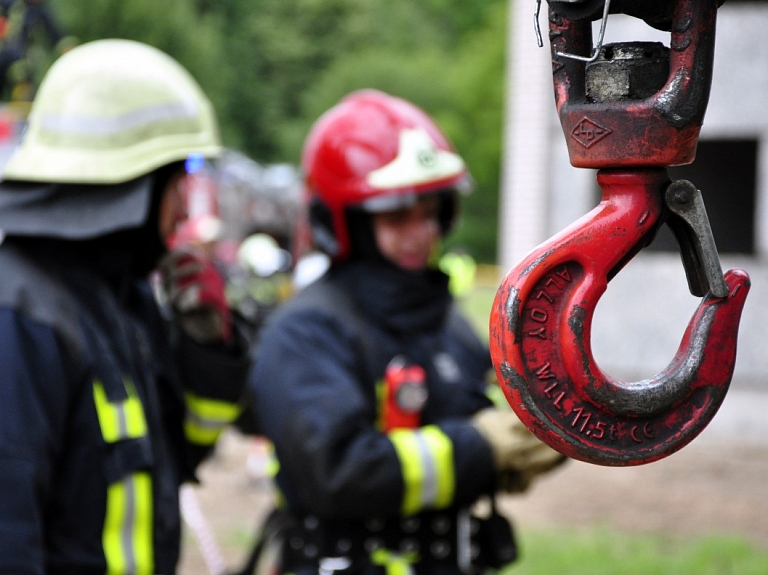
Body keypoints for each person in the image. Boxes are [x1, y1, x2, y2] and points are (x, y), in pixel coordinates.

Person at [245, 89, 565, 575]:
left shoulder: (444, 319)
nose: (423, 232)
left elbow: (471, 418)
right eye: (396, 215)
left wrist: (527, 441)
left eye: (431, 210)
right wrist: (483, 450)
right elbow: (338, 473)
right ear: (345, 221)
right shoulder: (307, 331)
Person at [0, 39, 251, 573]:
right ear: (132, 182)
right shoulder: (18, 316)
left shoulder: (121, 302)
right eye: (180, 174)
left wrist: (207, 349)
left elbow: (170, 459)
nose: (187, 203)